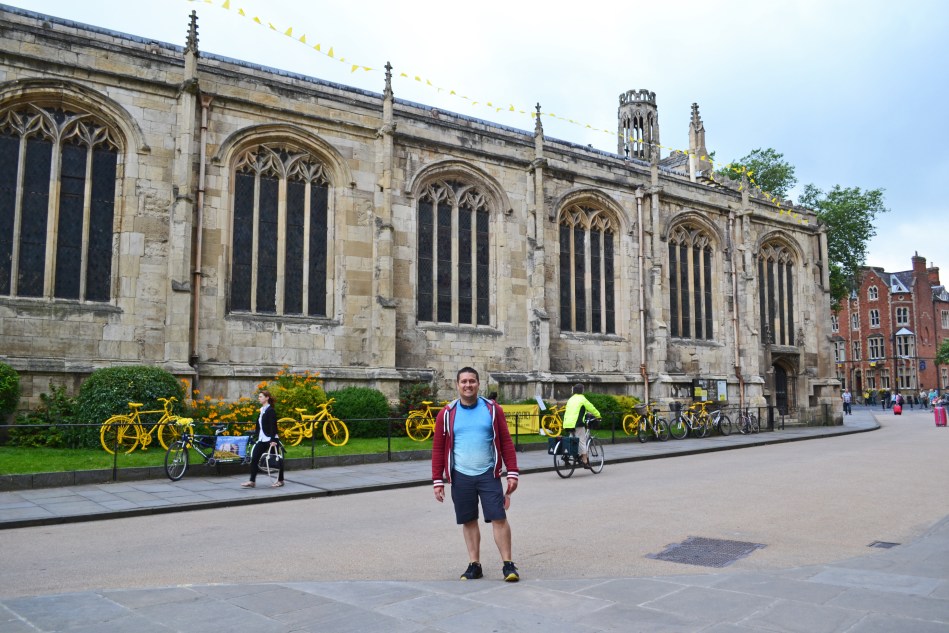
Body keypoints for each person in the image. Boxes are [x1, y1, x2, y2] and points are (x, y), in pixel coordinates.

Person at [432, 367, 520, 582]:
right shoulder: (447, 413)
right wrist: (438, 480)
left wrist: (512, 472)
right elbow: (438, 448)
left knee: (499, 517)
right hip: (460, 475)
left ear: (478, 384)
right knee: (469, 520)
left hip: (488, 474)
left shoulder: (492, 409)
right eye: (464, 381)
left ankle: (508, 565)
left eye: (472, 381)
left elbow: (506, 441)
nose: (468, 385)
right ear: (457, 385)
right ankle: (474, 564)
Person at [242, 390, 284, 488]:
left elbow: (273, 426)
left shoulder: (270, 410)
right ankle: (252, 481)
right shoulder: (262, 410)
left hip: (270, 440)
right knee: (255, 458)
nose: (259, 398)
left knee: (276, 460)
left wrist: (273, 440)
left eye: (261, 396)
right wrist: (256, 433)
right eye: (259, 396)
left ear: (267, 398)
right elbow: (260, 425)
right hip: (262, 439)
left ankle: (281, 480)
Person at [561, 383, 602, 466]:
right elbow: (591, 408)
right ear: (582, 390)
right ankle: (585, 461)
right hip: (577, 423)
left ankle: (566, 455)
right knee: (582, 441)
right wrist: (598, 415)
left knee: (571, 440)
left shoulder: (571, 399)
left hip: (567, 423)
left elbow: (575, 410)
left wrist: (585, 413)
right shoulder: (582, 399)